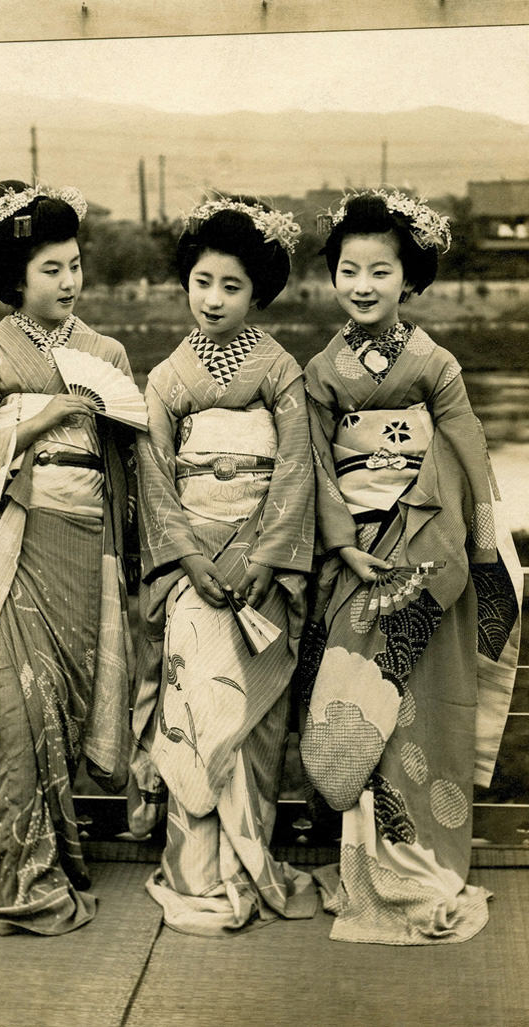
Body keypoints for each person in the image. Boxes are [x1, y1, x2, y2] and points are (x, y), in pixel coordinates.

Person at [0, 180, 139, 935]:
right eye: (51, 268)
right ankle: (11, 871)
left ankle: (49, 850)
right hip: (16, 551)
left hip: (84, 550)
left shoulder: (106, 353)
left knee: (63, 711)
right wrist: (39, 421)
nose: (69, 280)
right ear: (15, 277)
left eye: (75, 264)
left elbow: (131, 460)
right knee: (17, 710)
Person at [297, 189, 522, 945]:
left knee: (422, 714)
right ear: (332, 275)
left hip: (424, 555)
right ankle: (367, 870)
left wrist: (431, 542)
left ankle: (420, 865)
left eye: (381, 270)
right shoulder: (322, 371)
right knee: (362, 712)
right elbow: (316, 469)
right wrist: (343, 540)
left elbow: (466, 458)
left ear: (408, 278)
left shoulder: (436, 364)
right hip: (356, 557)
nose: (362, 285)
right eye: (349, 269)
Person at [128, 197, 318, 935]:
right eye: (202, 281)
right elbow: (154, 477)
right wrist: (189, 558)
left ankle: (246, 865)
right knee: (191, 714)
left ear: (258, 291)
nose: (212, 299)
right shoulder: (168, 378)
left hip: (258, 574)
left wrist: (265, 557)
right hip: (194, 576)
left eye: (231, 286)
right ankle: (192, 871)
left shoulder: (280, 370)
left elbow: (296, 470)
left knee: (254, 726)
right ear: (186, 282)